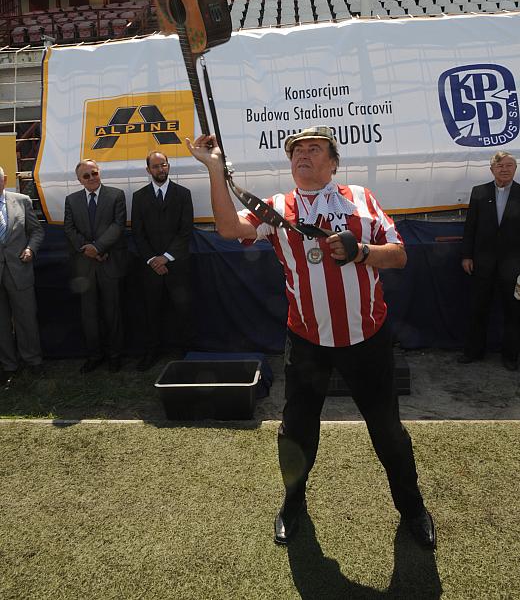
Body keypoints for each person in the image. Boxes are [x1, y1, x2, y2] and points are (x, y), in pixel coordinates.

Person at [187, 125, 435, 549]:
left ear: (333, 163)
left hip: (367, 339)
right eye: (296, 149)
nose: (302, 154)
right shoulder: (276, 207)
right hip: (307, 342)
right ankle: (292, 504)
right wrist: (214, 169)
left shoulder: (362, 198)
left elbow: (399, 255)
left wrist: (361, 252)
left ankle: (412, 509)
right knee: (297, 432)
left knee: (388, 431)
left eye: (314, 148)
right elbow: (228, 229)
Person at [131, 151, 195, 371]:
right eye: (156, 166)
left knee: (183, 310)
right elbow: (138, 233)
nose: (161, 169)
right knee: (152, 311)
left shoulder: (183, 194)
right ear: (148, 170)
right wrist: (153, 260)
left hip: (177, 265)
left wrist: (166, 258)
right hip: (151, 268)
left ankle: (187, 352)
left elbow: (186, 231)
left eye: (164, 165)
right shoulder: (139, 197)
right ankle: (152, 352)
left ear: (168, 166)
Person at [64, 159, 127, 373]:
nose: (92, 178)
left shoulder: (116, 195)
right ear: (79, 180)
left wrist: (98, 248)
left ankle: (115, 356)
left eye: (94, 173)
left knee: (113, 312)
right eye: (86, 176)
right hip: (85, 266)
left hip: (110, 261)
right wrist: (88, 249)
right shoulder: (71, 200)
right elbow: (69, 229)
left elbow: (118, 225)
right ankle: (94, 356)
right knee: (89, 314)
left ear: (99, 173)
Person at [459, 151, 520, 371]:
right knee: (478, 308)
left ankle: (510, 356)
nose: (505, 169)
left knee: (513, 311)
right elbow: (470, 227)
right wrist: (466, 255)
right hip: (482, 263)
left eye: (509, 165)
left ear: (515, 168)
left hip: (513, 265)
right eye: (500, 165)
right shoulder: (479, 192)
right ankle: (473, 352)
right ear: (491, 168)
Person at [0, 165, 45, 385]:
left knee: (26, 318)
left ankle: (33, 361)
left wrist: (30, 249)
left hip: (20, 269)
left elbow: (36, 231)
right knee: (1, 323)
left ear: (5, 179)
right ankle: (8, 365)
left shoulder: (22, 200)